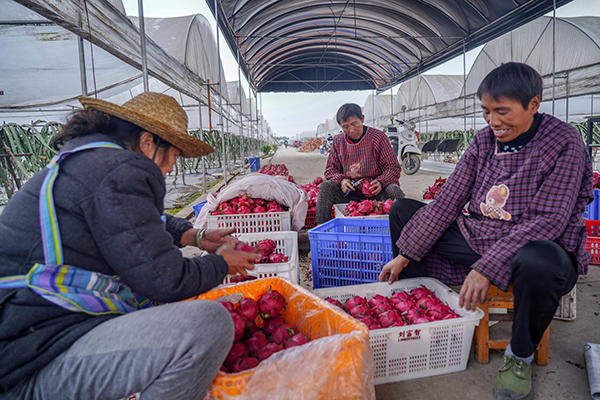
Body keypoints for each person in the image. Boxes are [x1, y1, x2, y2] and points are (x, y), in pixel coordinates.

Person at [0, 92, 260, 399]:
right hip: (34, 361)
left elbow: (138, 221)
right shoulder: (117, 170)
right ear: (148, 143)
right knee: (208, 324)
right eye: (174, 154)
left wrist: (195, 237)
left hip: (34, 337)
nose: (172, 167)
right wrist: (222, 263)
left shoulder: (90, 163)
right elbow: (165, 279)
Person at [379, 62, 593, 400]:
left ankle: (518, 357)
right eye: (487, 111)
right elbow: (449, 200)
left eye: (502, 112)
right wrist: (405, 255)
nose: (493, 121)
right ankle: (423, 318)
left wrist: (485, 268)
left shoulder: (564, 142)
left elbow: (548, 219)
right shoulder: (483, 141)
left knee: (539, 262)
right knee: (405, 211)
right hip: (479, 235)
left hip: (540, 244)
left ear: (533, 105)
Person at [315, 103, 404, 224]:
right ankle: (321, 230)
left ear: (362, 119)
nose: (351, 130)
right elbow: (330, 170)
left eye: (354, 124)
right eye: (345, 126)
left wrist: (381, 182)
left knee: (394, 190)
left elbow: (393, 167)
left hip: (376, 193)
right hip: (350, 194)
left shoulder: (378, 137)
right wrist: (342, 180)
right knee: (326, 187)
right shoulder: (338, 141)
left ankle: (401, 228)